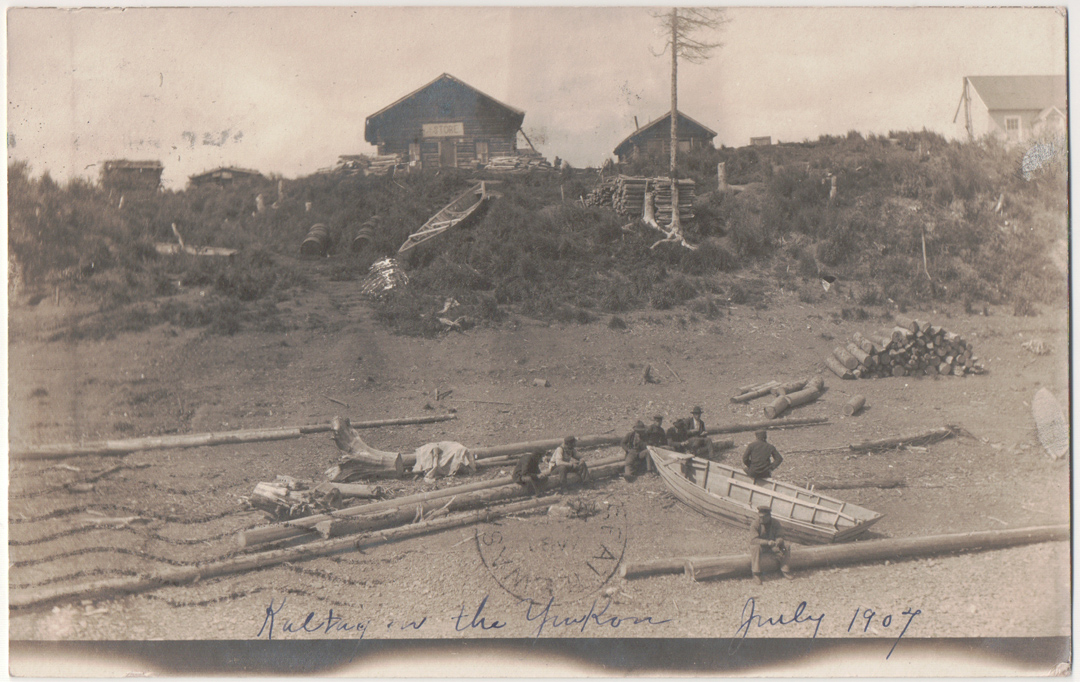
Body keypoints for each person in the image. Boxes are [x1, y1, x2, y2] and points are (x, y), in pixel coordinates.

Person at [749, 506, 793, 583]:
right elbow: (754, 540)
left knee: (786, 546)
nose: (761, 519)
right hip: (762, 547)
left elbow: (781, 536)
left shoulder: (776, 523)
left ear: (769, 516)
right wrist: (767, 542)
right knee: (755, 547)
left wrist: (778, 541)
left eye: (763, 517)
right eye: (759, 516)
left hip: (773, 546)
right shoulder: (755, 524)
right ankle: (756, 573)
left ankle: (785, 570)